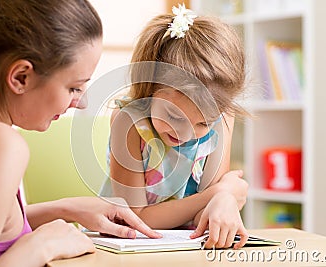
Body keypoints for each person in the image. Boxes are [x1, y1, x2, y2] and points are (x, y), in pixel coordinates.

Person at [0, 0, 161, 266]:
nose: (81, 102)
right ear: (21, 77)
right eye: (73, 87)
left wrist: (65, 209)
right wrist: (41, 245)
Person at [100, 4, 249, 249]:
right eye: (175, 116)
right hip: (128, 243)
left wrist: (223, 201)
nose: (186, 134)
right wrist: (218, 194)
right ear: (149, 88)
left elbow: (206, 214)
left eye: (203, 123)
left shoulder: (223, 118)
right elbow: (137, 217)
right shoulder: (128, 122)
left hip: (187, 246)